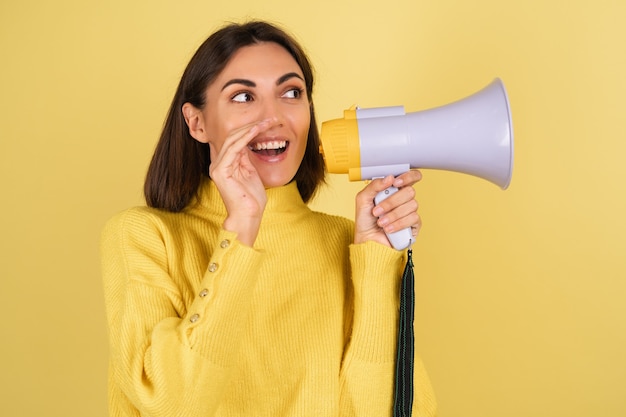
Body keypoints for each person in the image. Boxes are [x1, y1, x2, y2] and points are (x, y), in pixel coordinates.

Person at [101, 20, 437, 417]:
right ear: (197, 122)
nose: (273, 117)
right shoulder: (144, 236)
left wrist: (377, 263)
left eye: (291, 92)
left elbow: (387, 409)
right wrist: (241, 227)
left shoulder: (351, 244)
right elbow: (177, 404)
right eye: (243, 97)